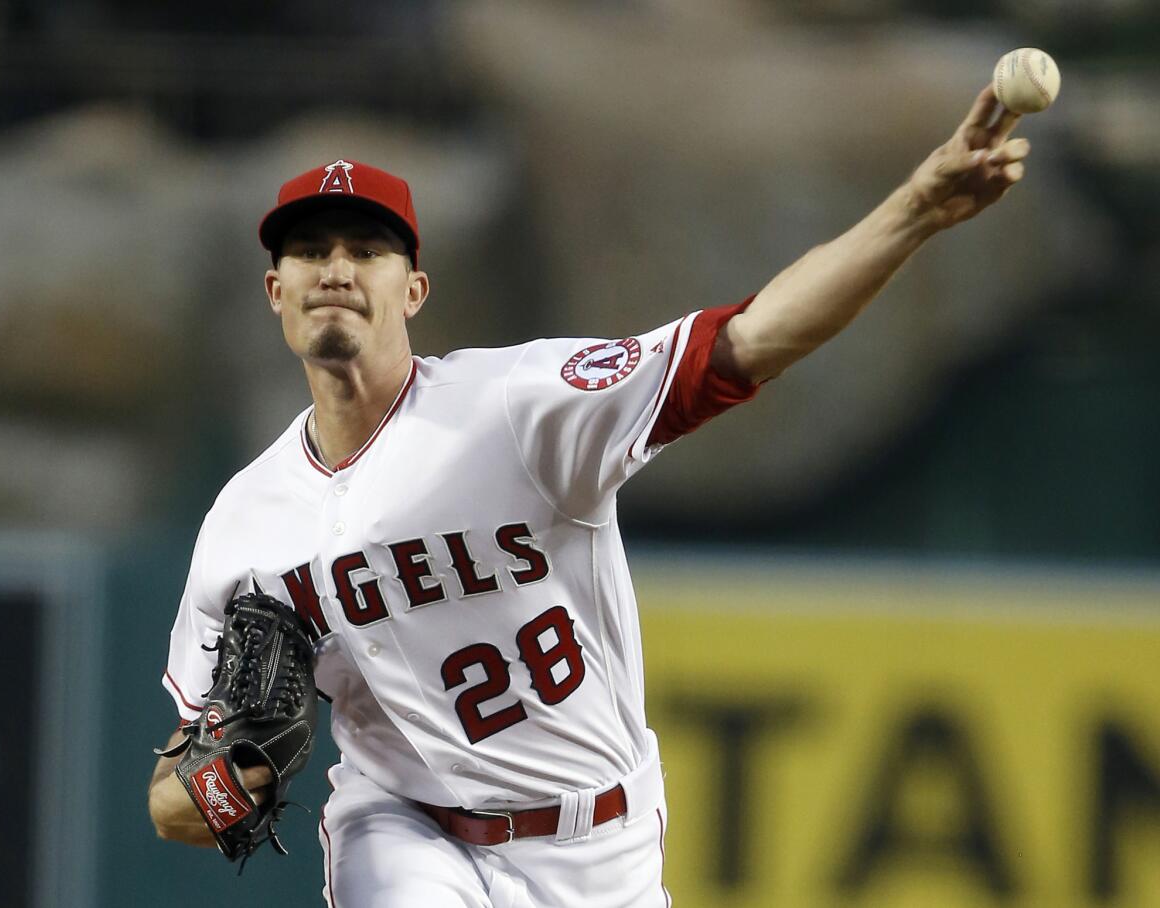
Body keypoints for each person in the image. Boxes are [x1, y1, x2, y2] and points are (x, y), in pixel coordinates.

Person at [148, 86, 1030, 906]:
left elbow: (746, 343)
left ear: (413, 289)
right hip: (400, 827)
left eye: (366, 250)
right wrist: (227, 782)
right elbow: (174, 796)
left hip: (597, 839)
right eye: (308, 251)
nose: (334, 268)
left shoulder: (518, 409)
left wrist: (912, 212)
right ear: (276, 293)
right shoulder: (244, 525)